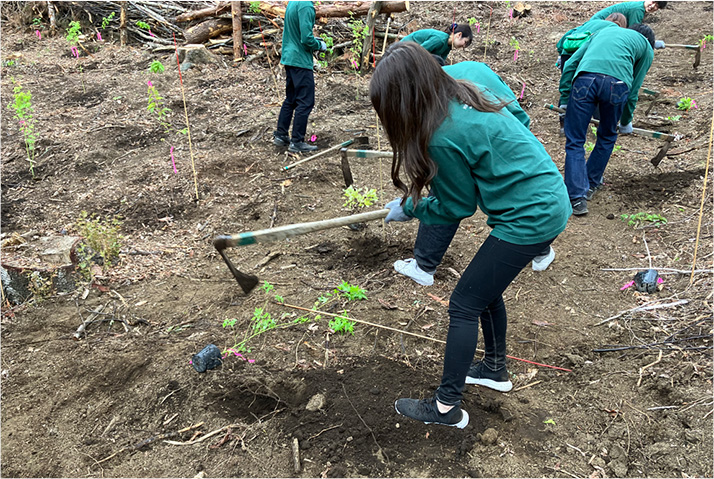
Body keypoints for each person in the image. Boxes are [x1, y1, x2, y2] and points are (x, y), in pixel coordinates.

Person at [371, 42, 571, 428]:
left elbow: (456, 206)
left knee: (464, 303)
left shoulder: (442, 135)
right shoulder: (466, 86)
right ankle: (494, 370)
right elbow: (517, 122)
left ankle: (446, 407)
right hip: (546, 194)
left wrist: (410, 208)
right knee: (484, 290)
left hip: (530, 215)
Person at [394, 58, 549, 287]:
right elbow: (517, 114)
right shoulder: (472, 69)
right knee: (521, 193)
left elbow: (456, 202)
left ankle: (424, 265)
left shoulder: (437, 107)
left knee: (447, 190)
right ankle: (541, 249)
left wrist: (410, 207)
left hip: (489, 137)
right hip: (510, 136)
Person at [559, 24, 656, 216]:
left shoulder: (603, 32)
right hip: (617, 85)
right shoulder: (645, 47)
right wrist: (626, 121)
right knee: (607, 136)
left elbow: (570, 64)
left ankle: (576, 198)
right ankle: (591, 184)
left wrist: (564, 99)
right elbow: (634, 89)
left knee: (576, 140)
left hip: (584, 81)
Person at [273, 1, 327, 153]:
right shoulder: (306, 6)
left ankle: (281, 134)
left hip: (289, 58)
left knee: (291, 99)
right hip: (300, 61)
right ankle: (297, 141)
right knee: (306, 101)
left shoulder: (293, 2)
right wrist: (319, 45)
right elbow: (306, 38)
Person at [556, 13, 627, 74]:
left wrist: (560, 53)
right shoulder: (614, 30)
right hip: (583, 59)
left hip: (566, 55)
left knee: (566, 84)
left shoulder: (592, 22)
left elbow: (568, 34)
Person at [401, 24, 473, 62]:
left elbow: (441, 62)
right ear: (459, 35)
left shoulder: (448, 46)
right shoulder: (440, 39)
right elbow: (420, 51)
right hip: (405, 49)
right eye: (465, 42)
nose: (463, 46)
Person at [590, 0, 667, 26]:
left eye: (657, 6)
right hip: (597, 24)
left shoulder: (640, 7)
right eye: (653, 2)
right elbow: (633, 32)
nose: (652, 6)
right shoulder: (637, 10)